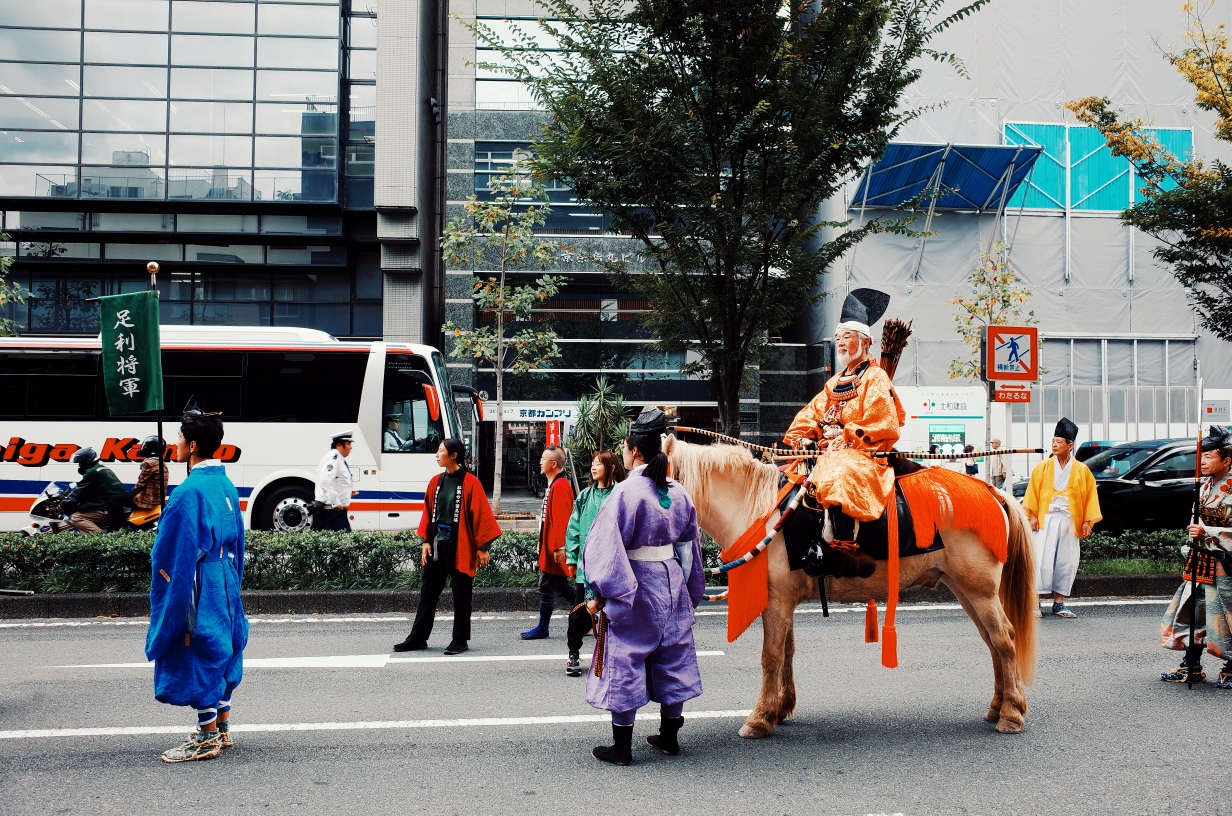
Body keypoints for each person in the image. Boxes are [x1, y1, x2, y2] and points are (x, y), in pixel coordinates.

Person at [583, 408, 705, 766]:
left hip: (636, 583)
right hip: (671, 581)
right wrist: (688, 591)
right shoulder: (678, 492)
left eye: (624, 446)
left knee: (626, 656)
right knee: (673, 654)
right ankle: (669, 738)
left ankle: (622, 747)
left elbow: (605, 548)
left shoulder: (625, 492)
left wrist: (604, 594)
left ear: (634, 450)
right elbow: (690, 549)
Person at [146, 401, 247, 763]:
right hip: (224, 576)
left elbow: (173, 552)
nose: (174, 444)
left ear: (191, 445)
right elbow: (239, 540)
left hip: (198, 579)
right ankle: (221, 727)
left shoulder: (188, 492)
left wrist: (167, 592)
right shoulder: (225, 484)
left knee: (197, 644)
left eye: (178, 439)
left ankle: (205, 739)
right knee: (225, 642)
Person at [782, 288, 905, 529]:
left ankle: (844, 541)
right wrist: (803, 437)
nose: (840, 343)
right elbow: (813, 412)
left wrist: (844, 436)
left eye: (847, 336)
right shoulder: (835, 381)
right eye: (838, 338)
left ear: (865, 341)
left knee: (837, 475)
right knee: (785, 475)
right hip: (828, 451)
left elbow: (883, 422)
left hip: (862, 455)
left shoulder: (876, 377)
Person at [394, 438, 502, 656]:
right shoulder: (436, 481)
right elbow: (427, 512)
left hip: (461, 545)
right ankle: (418, 637)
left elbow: (481, 514)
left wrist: (483, 546)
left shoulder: (471, 482)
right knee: (428, 593)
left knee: (461, 594)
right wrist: (425, 540)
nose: (436, 454)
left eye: (441, 450)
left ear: (454, 455)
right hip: (437, 544)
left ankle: (460, 639)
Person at [1159, 424, 1232, 689]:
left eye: (1209, 457)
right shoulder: (1202, 488)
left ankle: (1231, 667)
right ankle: (1192, 665)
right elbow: (1195, 524)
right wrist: (1193, 541)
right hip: (1201, 560)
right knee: (1193, 611)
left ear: (1227, 460)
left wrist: (1209, 532)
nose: (1202, 462)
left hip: (1226, 564)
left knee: (1226, 616)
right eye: (1201, 456)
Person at [1023, 418, 1102, 618]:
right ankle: (1035, 604)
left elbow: (1090, 496)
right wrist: (1031, 515)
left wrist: (1087, 521)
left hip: (1069, 521)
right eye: (1053, 441)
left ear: (1070, 445)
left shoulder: (1082, 470)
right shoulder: (1042, 467)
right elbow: (1032, 492)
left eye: (1059, 442)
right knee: (1041, 560)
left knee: (1066, 561)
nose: (1055, 445)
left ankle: (1059, 603)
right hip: (1045, 519)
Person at [562, 450, 624, 677]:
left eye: (599, 463)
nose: (594, 467)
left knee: (613, 612)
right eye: (593, 463)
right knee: (578, 612)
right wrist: (571, 557)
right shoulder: (585, 495)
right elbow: (574, 528)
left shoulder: (621, 493)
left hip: (614, 566)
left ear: (612, 467)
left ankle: (611, 656)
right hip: (586, 567)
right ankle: (573, 654)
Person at [521, 445, 578, 640]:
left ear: (553, 464)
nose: (540, 462)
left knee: (546, 587)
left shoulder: (560, 485)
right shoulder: (556, 483)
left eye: (543, 459)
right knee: (561, 587)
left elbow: (562, 519)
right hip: (550, 546)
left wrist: (559, 547)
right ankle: (589, 617)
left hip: (554, 548)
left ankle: (543, 628)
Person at [66, 447, 130, 534]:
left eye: (80, 462)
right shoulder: (103, 469)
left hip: (107, 508)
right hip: (115, 506)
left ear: (86, 462)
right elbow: (91, 490)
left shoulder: (93, 472)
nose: (79, 465)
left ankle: (101, 540)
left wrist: (62, 505)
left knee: (76, 518)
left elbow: (79, 492)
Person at [315, 431, 357, 531]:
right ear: (339, 445)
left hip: (335, 510)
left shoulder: (338, 458)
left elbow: (335, 481)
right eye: (348, 444)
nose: (351, 447)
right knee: (343, 542)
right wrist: (335, 501)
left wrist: (348, 490)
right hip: (332, 511)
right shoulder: (333, 458)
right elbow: (325, 481)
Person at [131, 435, 169, 511]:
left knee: (114, 500)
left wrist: (133, 491)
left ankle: (120, 523)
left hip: (147, 500)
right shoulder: (161, 462)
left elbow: (141, 484)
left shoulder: (149, 463)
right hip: (157, 500)